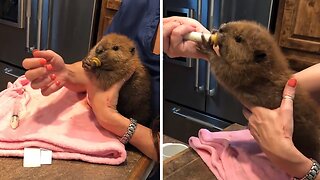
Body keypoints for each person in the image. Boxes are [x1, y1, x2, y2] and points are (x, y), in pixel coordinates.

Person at [163, 16, 320, 179]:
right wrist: (215, 54)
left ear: (258, 57)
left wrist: (300, 167)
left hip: (302, 154)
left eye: (237, 39)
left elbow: (241, 80)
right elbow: (271, 88)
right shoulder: (270, 78)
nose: (222, 29)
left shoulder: (260, 70)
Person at [23, 0, 160, 164]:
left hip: (143, 158)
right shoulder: (139, 5)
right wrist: (67, 73)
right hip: (103, 135)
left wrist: (111, 119)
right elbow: (97, 67)